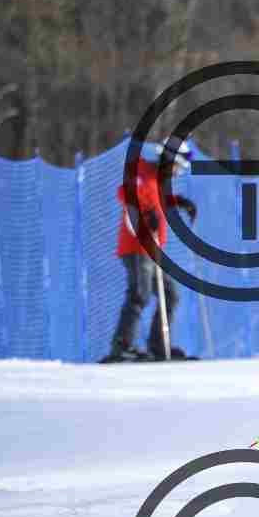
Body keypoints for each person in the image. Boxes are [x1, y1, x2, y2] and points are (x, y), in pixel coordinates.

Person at [100, 140, 197, 363]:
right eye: (177, 167)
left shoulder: (158, 179)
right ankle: (122, 345)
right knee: (140, 294)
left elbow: (157, 199)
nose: (177, 173)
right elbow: (126, 193)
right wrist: (147, 212)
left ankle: (158, 345)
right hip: (137, 246)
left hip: (152, 249)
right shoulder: (142, 172)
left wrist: (180, 202)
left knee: (170, 294)